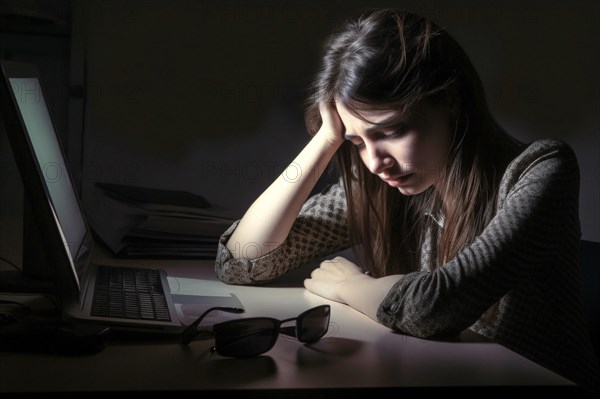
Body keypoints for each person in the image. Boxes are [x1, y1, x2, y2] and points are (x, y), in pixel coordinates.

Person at [214, 8, 599, 392]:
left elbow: (434, 307)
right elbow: (244, 261)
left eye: (391, 131)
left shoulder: (541, 170)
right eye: (357, 142)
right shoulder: (389, 185)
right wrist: (326, 139)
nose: (375, 161)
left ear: (449, 99)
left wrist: (348, 285)